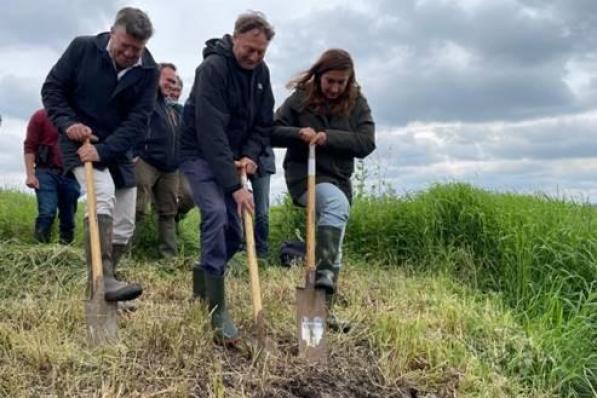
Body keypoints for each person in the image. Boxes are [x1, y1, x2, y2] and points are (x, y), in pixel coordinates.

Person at [42, 7, 159, 303]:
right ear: (112, 32)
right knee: (102, 194)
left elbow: (138, 121)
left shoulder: (148, 70)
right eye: (125, 46)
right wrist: (69, 124)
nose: (131, 53)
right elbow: (53, 90)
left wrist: (106, 150)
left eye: (138, 48)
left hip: (117, 147)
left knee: (125, 219)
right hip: (78, 140)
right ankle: (102, 278)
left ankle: (107, 281)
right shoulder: (82, 49)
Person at [179, 11, 275, 344]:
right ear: (235, 38)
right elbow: (210, 130)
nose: (254, 56)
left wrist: (250, 155)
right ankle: (217, 310)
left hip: (232, 158)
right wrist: (235, 187)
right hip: (198, 153)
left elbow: (263, 123)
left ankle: (203, 277)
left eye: (261, 51)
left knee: (234, 234)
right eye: (249, 48)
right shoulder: (212, 69)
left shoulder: (261, 74)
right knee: (218, 216)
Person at [272, 49, 375, 332]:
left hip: (339, 180)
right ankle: (325, 272)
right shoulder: (301, 98)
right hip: (305, 177)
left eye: (341, 82)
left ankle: (321, 314)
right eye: (330, 81)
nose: (334, 88)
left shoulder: (356, 102)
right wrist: (298, 133)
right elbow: (271, 131)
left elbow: (367, 142)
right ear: (319, 76)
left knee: (335, 241)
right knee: (335, 207)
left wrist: (328, 138)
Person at [133, 63, 182, 258]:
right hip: (146, 161)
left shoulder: (171, 109)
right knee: (137, 208)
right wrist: (133, 152)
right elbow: (134, 125)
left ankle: (169, 257)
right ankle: (128, 253)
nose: (172, 84)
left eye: (175, 81)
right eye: (169, 80)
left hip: (170, 168)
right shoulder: (146, 99)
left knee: (168, 212)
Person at [23, 108, 80, 244]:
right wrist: (30, 175)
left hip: (71, 174)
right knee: (47, 212)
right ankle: (41, 250)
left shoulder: (80, 118)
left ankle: (64, 252)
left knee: (68, 217)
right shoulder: (40, 116)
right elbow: (29, 146)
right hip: (46, 171)